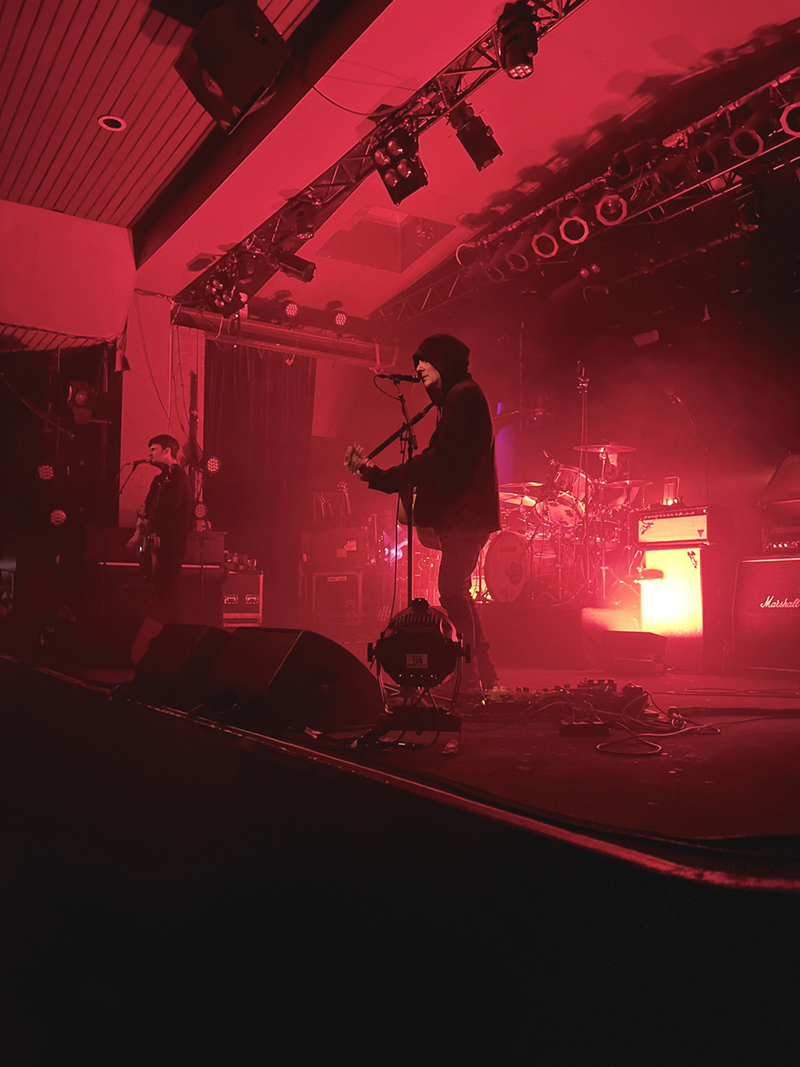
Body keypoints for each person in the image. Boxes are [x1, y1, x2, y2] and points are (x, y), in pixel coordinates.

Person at [346, 334, 500, 691]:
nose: (418, 367)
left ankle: (469, 677)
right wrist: (380, 477)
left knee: (452, 590)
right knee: (457, 591)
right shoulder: (455, 399)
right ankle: (481, 673)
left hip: (467, 515)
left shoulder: (463, 396)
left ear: (444, 361)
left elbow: (440, 458)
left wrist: (383, 478)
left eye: (425, 360)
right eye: (417, 361)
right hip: (465, 514)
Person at [126, 434, 192, 624]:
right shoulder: (158, 480)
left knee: (170, 589)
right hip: (156, 544)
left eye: (153, 449)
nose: (150, 454)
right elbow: (147, 508)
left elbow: (173, 507)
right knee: (161, 588)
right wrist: (143, 516)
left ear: (167, 451)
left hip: (170, 544)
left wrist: (150, 515)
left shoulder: (178, 476)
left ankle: (174, 628)